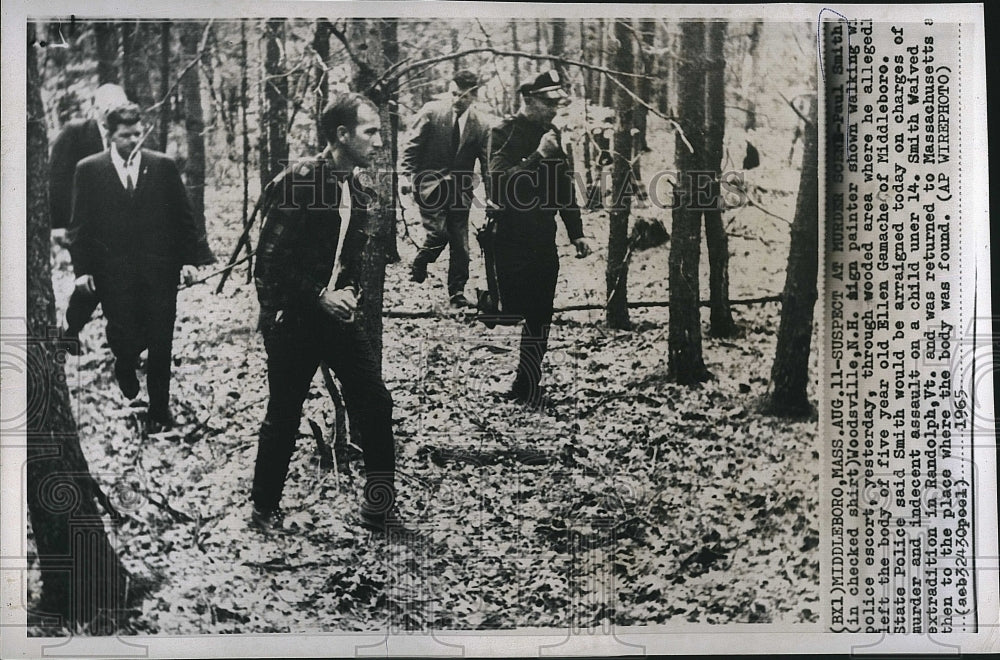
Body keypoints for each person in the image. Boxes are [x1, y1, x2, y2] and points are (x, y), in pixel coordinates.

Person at [250, 92, 402, 535]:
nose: (379, 142)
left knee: (374, 401)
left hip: (334, 315)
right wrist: (318, 295)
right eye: (369, 131)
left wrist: (349, 287)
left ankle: (379, 508)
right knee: (284, 412)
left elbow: (349, 256)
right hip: (292, 318)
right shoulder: (299, 181)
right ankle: (263, 509)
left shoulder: (356, 186)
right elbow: (269, 263)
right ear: (341, 134)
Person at [68, 104, 215, 430]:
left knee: (161, 341)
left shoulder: (161, 165)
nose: (133, 140)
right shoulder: (89, 169)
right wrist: (82, 270)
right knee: (123, 334)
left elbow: (183, 217)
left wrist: (190, 261)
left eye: (138, 133)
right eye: (125, 135)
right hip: (113, 274)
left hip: (159, 272)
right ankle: (124, 361)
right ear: (109, 134)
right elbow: (79, 225)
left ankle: (159, 412)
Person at [486, 70, 592, 408]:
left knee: (540, 314)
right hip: (511, 238)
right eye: (548, 102)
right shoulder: (503, 132)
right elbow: (499, 185)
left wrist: (576, 233)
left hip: (542, 236)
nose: (553, 109)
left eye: (558, 103)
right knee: (513, 311)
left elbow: (563, 187)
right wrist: (538, 156)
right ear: (528, 99)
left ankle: (527, 383)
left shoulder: (553, 133)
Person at [401, 70, 492, 308]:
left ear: (473, 97)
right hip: (429, 185)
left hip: (460, 190)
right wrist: (404, 176)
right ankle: (421, 261)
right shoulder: (432, 111)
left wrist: (493, 197)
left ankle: (457, 293)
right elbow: (412, 146)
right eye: (453, 93)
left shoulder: (481, 125)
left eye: (463, 96)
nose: (456, 100)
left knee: (461, 244)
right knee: (439, 234)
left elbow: (487, 164)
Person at [50, 84, 129, 352]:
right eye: (109, 108)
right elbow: (57, 180)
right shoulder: (75, 133)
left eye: (120, 107)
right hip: (82, 227)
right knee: (91, 282)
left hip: (118, 227)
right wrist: (58, 224)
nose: (114, 113)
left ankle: (121, 345)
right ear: (95, 109)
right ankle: (69, 332)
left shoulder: (128, 136)